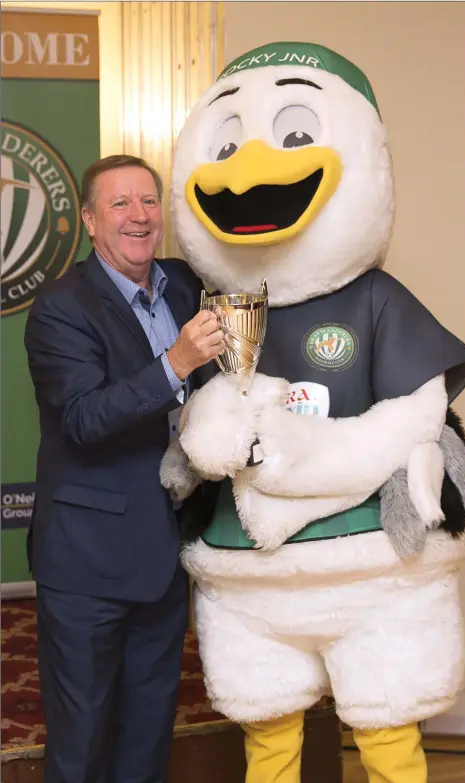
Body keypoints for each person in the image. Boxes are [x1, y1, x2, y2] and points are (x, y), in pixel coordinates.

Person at [24, 154, 224, 783]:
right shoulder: (61, 307)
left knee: (147, 739)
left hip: (165, 558)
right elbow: (83, 419)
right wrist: (176, 362)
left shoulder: (183, 283)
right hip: (87, 565)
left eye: (148, 201)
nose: (139, 216)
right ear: (88, 220)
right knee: (81, 744)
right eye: (119, 204)